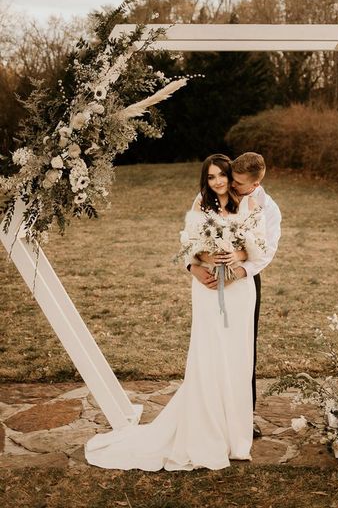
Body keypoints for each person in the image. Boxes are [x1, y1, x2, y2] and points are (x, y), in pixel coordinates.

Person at [85, 154, 265, 471]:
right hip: (209, 287)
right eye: (211, 177)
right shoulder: (200, 205)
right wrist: (199, 265)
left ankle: (236, 438)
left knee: (237, 359)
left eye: (221, 175)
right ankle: (206, 433)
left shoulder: (248, 204)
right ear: (205, 181)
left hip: (239, 289)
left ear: (230, 176)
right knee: (208, 356)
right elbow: (188, 247)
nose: (218, 182)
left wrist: (233, 254)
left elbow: (258, 247)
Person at [190, 152, 281, 437]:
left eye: (237, 183)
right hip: (208, 281)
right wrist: (193, 265)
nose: (230, 185)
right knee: (210, 347)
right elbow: (188, 239)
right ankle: (208, 414)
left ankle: (242, 416)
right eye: (229, 178)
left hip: (243, 282)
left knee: (242, 349)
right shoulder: (209, 198)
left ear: (254, 183)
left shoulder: (267, 208)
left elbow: (267, 250)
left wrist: (238, 270)